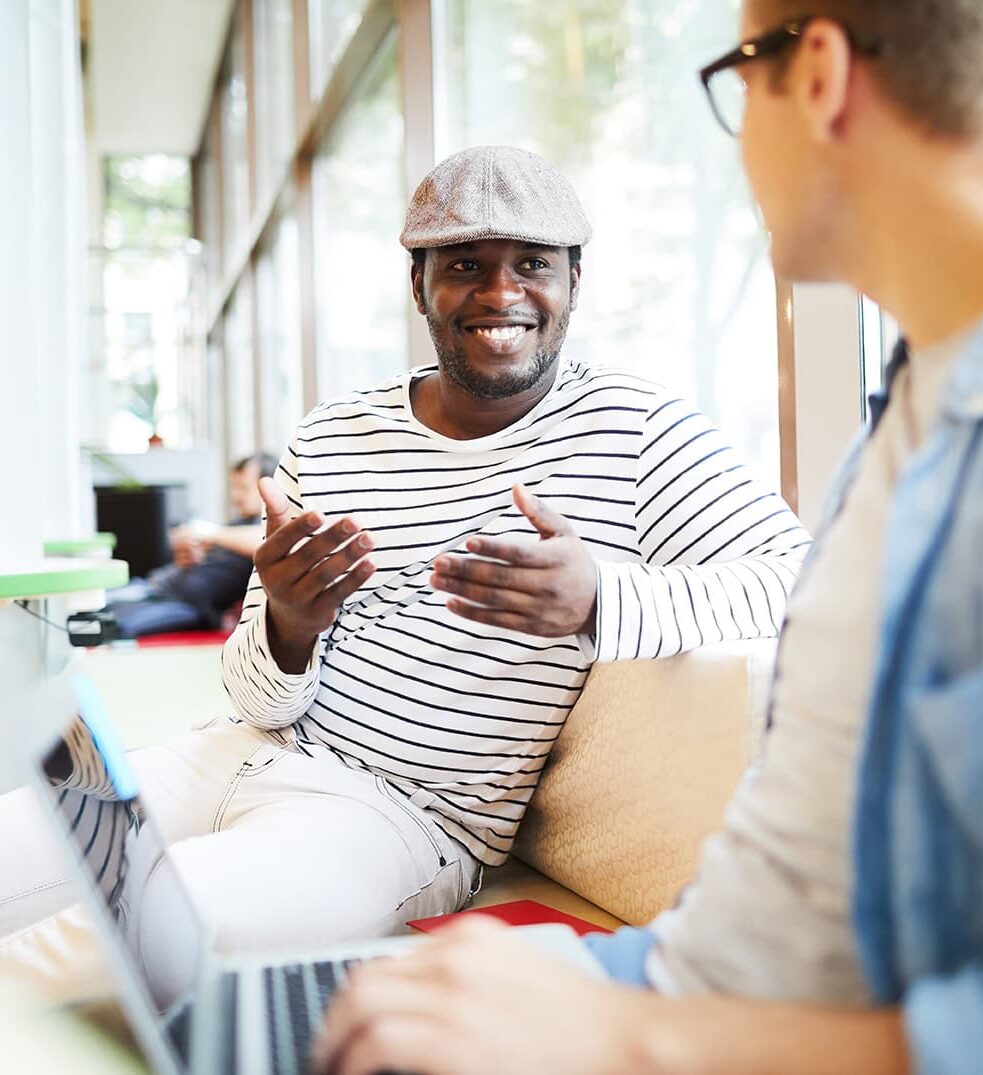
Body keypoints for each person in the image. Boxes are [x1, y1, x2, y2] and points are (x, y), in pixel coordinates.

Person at [312, 2, 983, 1073]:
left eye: (733, 74)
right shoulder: (906, 420)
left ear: (813, 75)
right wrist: (566, 984)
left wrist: (632, 1035)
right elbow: (780, 908)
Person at [0, 146, 807, 1002]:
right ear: (419, 283)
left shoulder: (638, 429)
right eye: (465, 266)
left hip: (394, 818)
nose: (501, 294)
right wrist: (288, 623)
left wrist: (601, 597)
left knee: (115, 943)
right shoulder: (336, 431)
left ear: (575, 279)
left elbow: (804, 573)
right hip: (227, 750)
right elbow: (254, 701)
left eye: (533, 265)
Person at [104, 452, 276, 638]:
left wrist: (209, 533)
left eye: (243, 488)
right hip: (159, 587)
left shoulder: (266, 529)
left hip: (184, 604)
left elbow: (266, 540)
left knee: (101, 615)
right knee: (94, 602)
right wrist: (189, 549)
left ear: (267, 488)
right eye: (234, 487)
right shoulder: (236, 526)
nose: (235, 496)